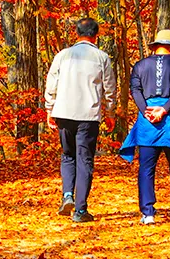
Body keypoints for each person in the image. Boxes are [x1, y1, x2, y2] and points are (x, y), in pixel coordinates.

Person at [44, 17, 118, 223]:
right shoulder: (102, 57)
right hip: (88, 115)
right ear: (96, 35)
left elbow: (52, 84)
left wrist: (50, 109)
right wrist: (110, 112)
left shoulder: (63, 55)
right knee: (85, 159)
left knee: (68, 155)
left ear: (76, 33)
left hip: (64, 112)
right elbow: (110, 88)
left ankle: (67, 195)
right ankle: (80, 209)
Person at [119, 29, 170, 224]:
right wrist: (164, 109)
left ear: (156, 46)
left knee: (146, 167)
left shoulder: (141, 65)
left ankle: (148, 213)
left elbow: (135, 90)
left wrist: (146, 111)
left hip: (147, 121)